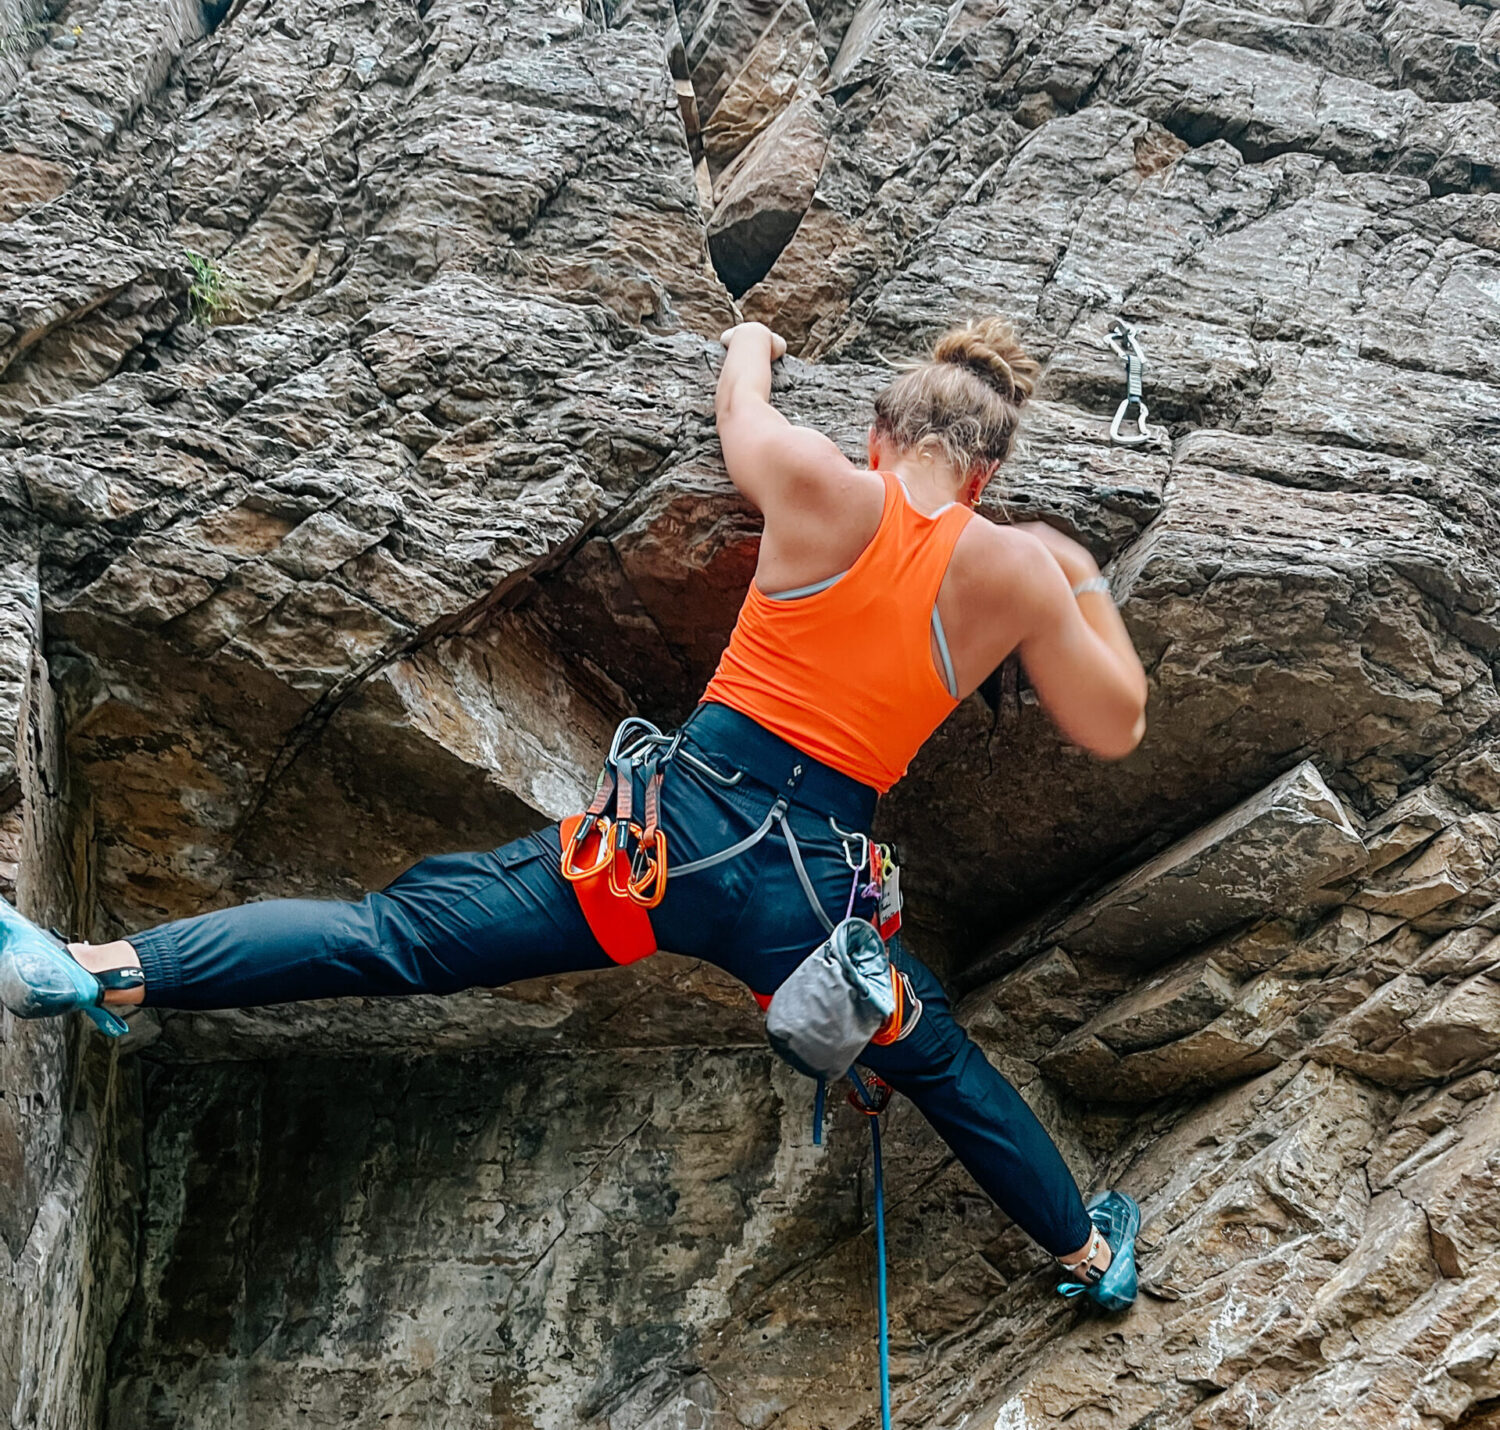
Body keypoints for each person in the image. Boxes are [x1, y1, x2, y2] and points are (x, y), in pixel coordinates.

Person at [0, 317, 1148, 1310]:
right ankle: (1089, 1249)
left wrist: (754, 343)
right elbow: (1118, 722)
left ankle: (97, 967)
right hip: (812, 903)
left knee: (393, 937)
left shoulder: (815, 477)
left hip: (661, 850)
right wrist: (1072, 568)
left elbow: (741, 401)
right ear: (988, 477)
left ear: (879, 438)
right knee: (936, 1055)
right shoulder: (1020, 575)